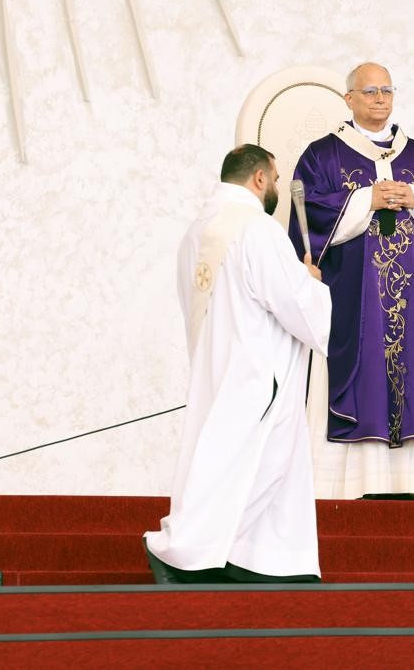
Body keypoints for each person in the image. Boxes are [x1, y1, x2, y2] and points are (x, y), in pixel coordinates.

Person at [145, 144, 331, 583]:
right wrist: (311, 283)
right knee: (258, 464)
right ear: (260, 179)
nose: (277, 188)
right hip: (257, 369)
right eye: (276, 179)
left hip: (217, 367)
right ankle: (180, 551)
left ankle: (260, 558)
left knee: (231, 464)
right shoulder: (256, 228)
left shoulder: (196, 232)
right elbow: (294, 304)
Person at [288, 62, 414, 499]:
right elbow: (306, 212)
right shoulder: (323, 155)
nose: (380, 98)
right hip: (354, 298)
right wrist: (365, 199)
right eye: (369, 91)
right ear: (349, 99)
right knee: (361, 375)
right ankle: (350, 483)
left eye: (386, 90)